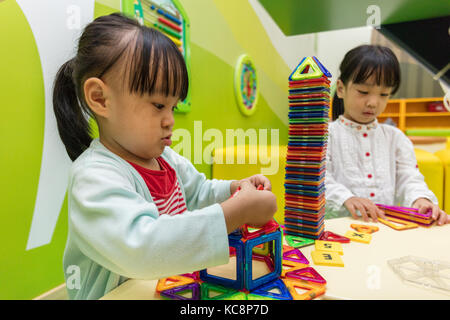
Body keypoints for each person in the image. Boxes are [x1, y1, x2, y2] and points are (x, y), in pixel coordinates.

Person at [53, 13, 277, 300]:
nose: (170, 120)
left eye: (173, 106)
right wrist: (237, 212)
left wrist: (234, 190)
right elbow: (142, 247)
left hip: (167, 289)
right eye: (158, 105)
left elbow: (198, 193)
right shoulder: (94, 176)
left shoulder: (167, 159)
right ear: (100, 98)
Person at [325, 44, 449, 225]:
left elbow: (409, 178)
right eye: (363, 92)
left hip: (385, 230)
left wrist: (421, 199)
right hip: (338, 230)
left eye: (384, 94)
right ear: (341, 89)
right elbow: (319, 180)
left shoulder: (395, 138)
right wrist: (346, 198)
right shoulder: (326, 135)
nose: (373, 102)